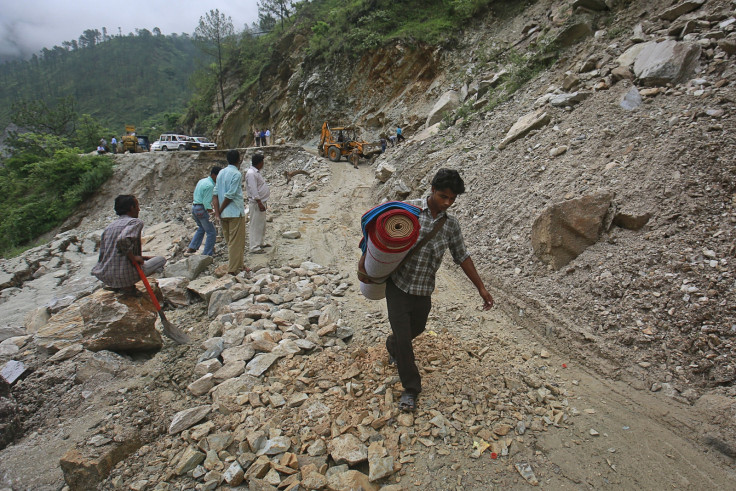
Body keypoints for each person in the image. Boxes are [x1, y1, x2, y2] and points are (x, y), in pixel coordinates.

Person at [359, 169, 494, 412]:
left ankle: (393, 345)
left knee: (417, 329)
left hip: (424, 289)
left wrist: (481, 288)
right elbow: (375, 234)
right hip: (398, 286)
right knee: (404, 339)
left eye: (452, 199)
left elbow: (462, 255)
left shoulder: (450, 224)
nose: (447, 203)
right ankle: (411, 389)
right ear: (432, 189)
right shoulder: (406, 212)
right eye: (443, 196)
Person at [91, 195, 166, 294]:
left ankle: (119, 286)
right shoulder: (135, 222)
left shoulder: (109, 227)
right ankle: (128, 286)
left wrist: (143, 257)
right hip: (125, 276)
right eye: (137, 206)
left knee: (149, 261)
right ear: (132, 207)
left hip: (106, 275)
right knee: (161, 260)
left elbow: (109, 252)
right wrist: (133, 258)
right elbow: (122, 240)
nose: (139, 209)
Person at [216, 150, 247, 274]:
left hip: (224, 214)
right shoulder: (236, 174)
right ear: (238, 160)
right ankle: (234, 269)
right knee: (236, 242)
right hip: (235, 212)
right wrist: (221, 208)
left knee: (230, 241)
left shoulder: (221, 173)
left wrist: (218, 211)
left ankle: (239, 265)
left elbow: (215, 192)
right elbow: (231, 195)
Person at [186, 166, 222, 256]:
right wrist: (212, 213)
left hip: (195, 207)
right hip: (201, 209)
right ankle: (207, 253)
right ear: (214, 175)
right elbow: (206, 203)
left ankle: (192, 247)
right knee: (211, 232)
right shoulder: (210, 185)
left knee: (201, 228)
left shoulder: (202, 181)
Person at [245, 153, 271, 254]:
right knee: (255, 225)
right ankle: (254, 247)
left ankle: (260, 242)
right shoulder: (251, 173)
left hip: (261, 202)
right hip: (256, 203)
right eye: (262, 162)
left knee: (261, 224)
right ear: (260, 163)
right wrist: (259, 201)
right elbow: (253, 189)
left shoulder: (255, 172)